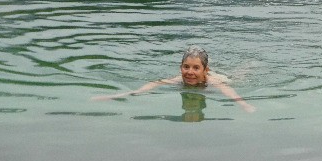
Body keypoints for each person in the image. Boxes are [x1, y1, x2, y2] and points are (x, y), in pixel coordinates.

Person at [94, 46, 256, 113]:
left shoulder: (213, 81)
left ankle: (250, 65)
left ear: (205, 71)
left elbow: (228, 91)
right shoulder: (178, 80)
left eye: (195, 68)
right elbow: (153, 84)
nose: (189, 72)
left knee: (237, 77)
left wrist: (244, 105)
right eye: (186, 67)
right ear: (180, 67)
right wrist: (118, 96)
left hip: (222, 78)